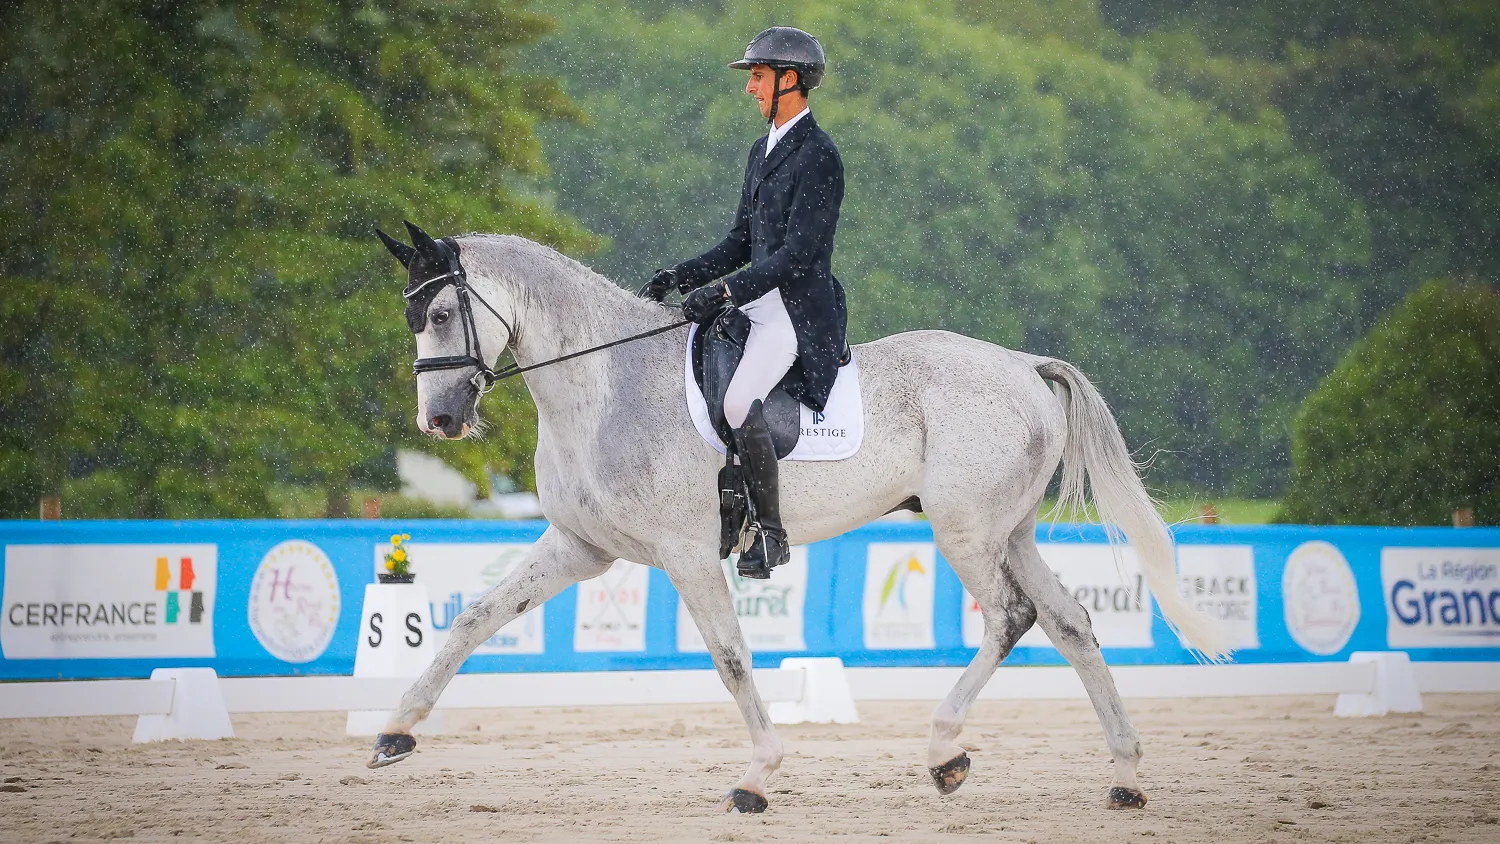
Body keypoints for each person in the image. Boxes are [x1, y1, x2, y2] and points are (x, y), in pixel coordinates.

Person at [642, 26, 848, 579]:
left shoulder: (819, 156)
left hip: (794, 311)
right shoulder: (762, 151)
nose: (750, 88)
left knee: (737, 404)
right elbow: (740, 242)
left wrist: (727, 291)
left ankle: (773, 536)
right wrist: (680, 275)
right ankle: (728, 510)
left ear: (791, 81)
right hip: (757, 300)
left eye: (757, 77)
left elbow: (800, 255)